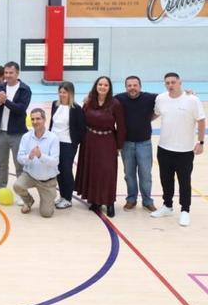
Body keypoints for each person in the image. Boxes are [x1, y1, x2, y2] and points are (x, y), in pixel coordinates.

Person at [151, 72, 205, 227]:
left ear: (180, 82)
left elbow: (201, 121)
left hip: (185, 150)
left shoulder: (192, 100)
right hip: (164, 148)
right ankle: (167, 206)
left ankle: (185, 211)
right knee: (165, 180)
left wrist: (201, 142)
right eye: (167, 82)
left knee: (184, 181)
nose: (170, 85)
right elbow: (154, 115)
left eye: (173, 82)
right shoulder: (161, 98)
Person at [75, 76, 125, 217]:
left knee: (107, 172)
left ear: (109, 88)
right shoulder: (89, 101)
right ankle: (95, 200)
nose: (102, 87)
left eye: (105, 85)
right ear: (96, 86)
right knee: (92, 171)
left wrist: (119, 145)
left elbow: (121, 126)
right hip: (89, 141)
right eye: (100, 84)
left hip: (107, 141)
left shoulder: (115, 104)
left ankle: (109, 202)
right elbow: (82, 118)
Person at [0, 61, 31, 199]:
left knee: (19, 165)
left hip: (17, 133)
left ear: (17, 73)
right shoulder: (0, 87)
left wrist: (5, 101)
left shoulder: (25, 89)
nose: (8, 75)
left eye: (11, 73)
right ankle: (1, 189)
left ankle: (21, 193)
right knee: (2, 163)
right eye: (6, 73)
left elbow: (20, 109)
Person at [114, 76, 158, 212]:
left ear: (140, 86)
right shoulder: (119, 98)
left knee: (145, 174)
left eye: (135, 85)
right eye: (129, 85)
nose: (132, 88)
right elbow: (102, 99)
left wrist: (187, 94)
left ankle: (147, 201)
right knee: (129, 174)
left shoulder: (150, 98)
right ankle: (131, 199)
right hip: (126, 144)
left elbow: (168, 98)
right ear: (125, 87)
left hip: (144, 143)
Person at [14, 109, 60, 218]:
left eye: (38, 118)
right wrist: (29, 157)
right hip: (30, 176)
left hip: (47, 181)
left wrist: (40, 156)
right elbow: (19, 158)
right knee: (17, 186)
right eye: (33, 119)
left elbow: (55, 162)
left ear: (44, 120)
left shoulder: (53, 138)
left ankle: (50, 195)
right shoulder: (26, 137)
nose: (35, 121)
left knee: (46, 214)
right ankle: (28, 201)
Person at [49, 82, 85, 210]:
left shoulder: (76, 108)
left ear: (70, 93)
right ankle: (62, 196)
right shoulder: (55, 104)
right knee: (58, 170)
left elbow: (81, 129)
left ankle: (68, 198)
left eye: (64, 92)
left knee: (66, 170)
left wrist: (75, 143)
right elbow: (51, 124)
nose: (62, 94)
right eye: (60, 92)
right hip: (54, 142)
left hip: (68, 144)